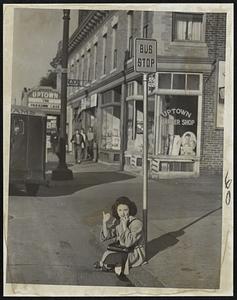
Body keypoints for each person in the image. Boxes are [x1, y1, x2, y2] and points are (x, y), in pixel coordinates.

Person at [93, 196, 145, 281]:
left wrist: (125, 226)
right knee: (108, 253)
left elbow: (129, 243)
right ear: (116, 211)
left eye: (125, 210)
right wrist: (104, 223)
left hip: (133, 251)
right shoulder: (117, 221)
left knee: (118, 257)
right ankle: (113, 267)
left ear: (130, 210)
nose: (122, 213)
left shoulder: (137, 223)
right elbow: (107, 236)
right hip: (122, 249)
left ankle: (111, 267)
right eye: (119, 210)